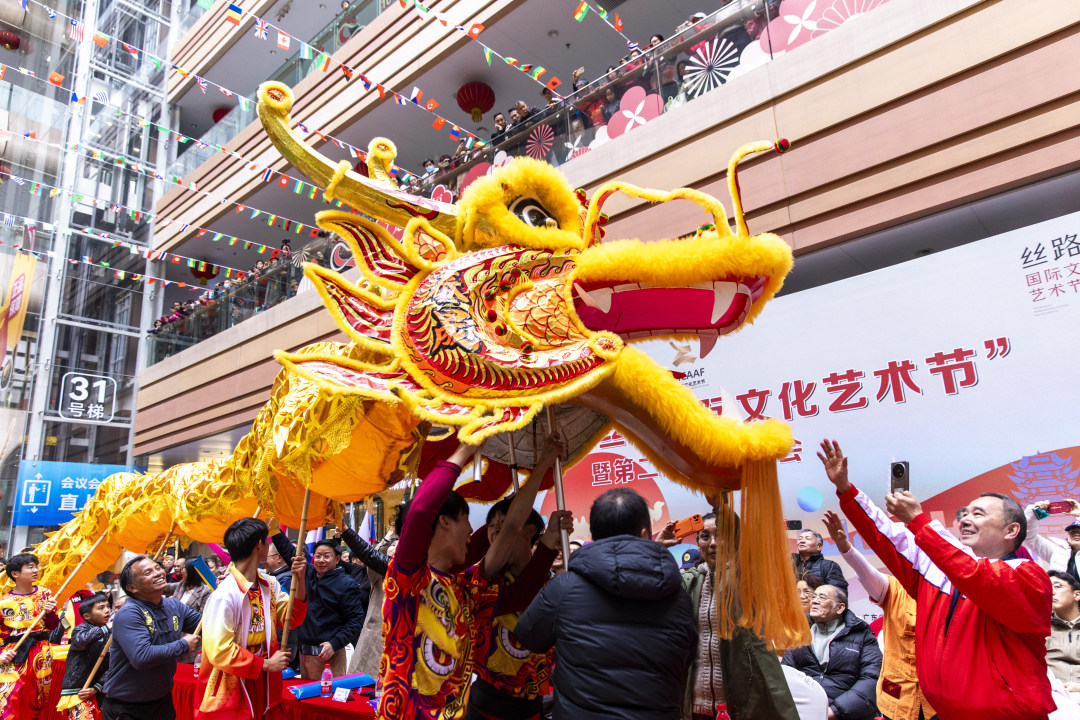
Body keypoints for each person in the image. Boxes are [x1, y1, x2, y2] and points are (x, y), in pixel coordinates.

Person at [820, 438, 1055, 719]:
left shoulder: (1028, 576)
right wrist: (846, 490)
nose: (965, 519)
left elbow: (978, 577)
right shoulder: (941, 571)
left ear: (1011, 530)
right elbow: (890, 538)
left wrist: (919, 521)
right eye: (965, 513)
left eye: (978, 514)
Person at [376, 437, 561, 719]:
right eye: (465, 520)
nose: (472, 530)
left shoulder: (465, 591)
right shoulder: (409, 580)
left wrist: (543, 467)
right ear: (444, 522)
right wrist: (464, 449)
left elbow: (512, 543)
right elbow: (422, 511)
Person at [515, 488, 697, 719]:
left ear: (595, 535)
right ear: (644, 533)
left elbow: (528, 636)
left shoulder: (564, 588)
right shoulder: (678, 596)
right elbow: (686, 657)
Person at [666, 509, 798, 720]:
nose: (713, 543)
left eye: (721, 535)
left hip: (740, 704)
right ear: (698, 543)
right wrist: (658, 547)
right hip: (695, 705)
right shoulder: (688, 582)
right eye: (705, 536)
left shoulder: (747, 577)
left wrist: (721, 504)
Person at [462, 495, 573, 720]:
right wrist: (549, 539)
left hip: (532, 710)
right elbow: (522, 592)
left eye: (504, 526)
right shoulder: (478, 580)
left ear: (529, 531)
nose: (495, 532)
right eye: (490, 526)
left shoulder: (554, 587)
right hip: (483, 709)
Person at [822, 511, 934, 720]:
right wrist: (845, 547)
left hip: (938, 697)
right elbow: (866, 573)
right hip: (898, 696)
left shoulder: (949, 589)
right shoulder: (893, 587)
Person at [196, 518, 308, 719]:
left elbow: (291, 619)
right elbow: (219, 651)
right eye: (267, 540)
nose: (269, 546)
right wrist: (266, 665)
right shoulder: (225, 595)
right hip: (233, 685)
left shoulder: (269, 585)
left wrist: (300, 580)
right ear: (259, 545)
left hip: (265, 684)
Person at [102, 555, 201, 720]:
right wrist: (183, 644)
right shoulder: (129, 613)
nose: (158, 573)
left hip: (162, 701)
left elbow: (207, 624)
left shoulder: (173, 605)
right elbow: (142, 657)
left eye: (158, 568)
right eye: (148, 573)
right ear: (132, 587)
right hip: (127, 707)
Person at [268, 531, 364, 679]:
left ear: (337, 559)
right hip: (303, 654)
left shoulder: (347, 584)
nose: (321, 560)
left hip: (328, 655)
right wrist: (274, 530)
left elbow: (355, 620)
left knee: (327, 694)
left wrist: (334, 644)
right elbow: (289, 552)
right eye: (318, 556)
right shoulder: (309, 573)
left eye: (326, 556)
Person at [781, 584, 882, 720]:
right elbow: (787, 676)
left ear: (840, 608)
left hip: (847, 714)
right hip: (805, 712)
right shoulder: (800, 634)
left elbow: (871, 679)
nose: (814, 601)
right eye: (814, 596)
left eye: (822, 597)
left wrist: (834, 711)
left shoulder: (862, 635)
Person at [0, 553, 60, 720]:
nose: (36, 570)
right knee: (8, 698)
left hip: (41, 652)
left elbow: (53, 626)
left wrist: (50, 613)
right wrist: (1, 654)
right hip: (13, 652)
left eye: (36, 566)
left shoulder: (45, 594)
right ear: (15, 574)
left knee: (37, 699)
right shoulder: (3, 602)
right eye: (30, 567)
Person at [339, 530, 393, 679]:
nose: (395, 547)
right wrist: (387, 538)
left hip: (399, 638)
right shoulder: (378, 576)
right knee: (362, 682)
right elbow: (371, 557)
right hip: (374, 635)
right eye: (393, 545)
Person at [55, 592, 111, 720]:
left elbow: (112, 665)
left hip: (99, 692)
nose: (107, 610)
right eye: (101, 608)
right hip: (78, 692)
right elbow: (82, 641)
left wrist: (97, 687)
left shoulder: (111, 634)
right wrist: (106, 628)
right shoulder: (80, 630)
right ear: (87, 616)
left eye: (108, 606)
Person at [166, 557, 214, 663]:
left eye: (183, 568)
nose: (180, 571)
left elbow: (201, 622)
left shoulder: (206, 592)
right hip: (173, 641)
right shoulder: (181, 585)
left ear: (192, 572)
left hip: (191, 646)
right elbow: (165, 588)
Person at [1025, 500, 1080, 579]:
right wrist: (1033, 513)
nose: (1077, 534)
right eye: (1073, 532)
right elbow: (1029, 537)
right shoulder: (1057, 551)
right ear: (1067, 536)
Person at [1048, 571, 1080, 697]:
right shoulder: (1040, 628)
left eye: (1057, 586)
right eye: (1047, 588)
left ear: (1077, 594)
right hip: (1052, 694)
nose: (1051, 592)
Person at [792, 529, 848, 594]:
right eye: (800, 539)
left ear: (819, 546)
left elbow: (839, 594)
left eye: (808, 539)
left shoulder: (829, 566)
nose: (802, 541)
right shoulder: (790, 562)